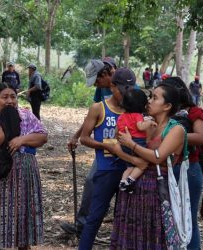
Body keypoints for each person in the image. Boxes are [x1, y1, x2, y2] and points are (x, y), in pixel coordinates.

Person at [109, 83, 185, 249]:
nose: (149, 101)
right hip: (134, 187)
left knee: (151, 237)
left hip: (156, 192)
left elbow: (157, 158)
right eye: (150, 97)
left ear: (167, 106)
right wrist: (124, 150)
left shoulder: (176, 130)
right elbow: (135, 158)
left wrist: (130, 145)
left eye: (155, 98)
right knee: (132, 236)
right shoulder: (146, 125)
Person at [0, 83, 47, 250]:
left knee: (23, 216)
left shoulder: (27, 115)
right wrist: (7, 120)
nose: (10, 101)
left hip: (25, 175)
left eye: (13, 97)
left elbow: (42, 136)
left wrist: (21, 140)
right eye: (4, 97)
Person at [78, 68, 136, 250]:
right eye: (123, 89)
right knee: (95, 218)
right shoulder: (99, 108)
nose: (127, 94)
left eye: (130, 89)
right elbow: (85, 138)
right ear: (112, 87)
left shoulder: (133, 109)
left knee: (125, 219)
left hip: (130, 171)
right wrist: (106, 146)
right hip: (106, 170)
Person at [60, 59, 116, 236]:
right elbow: (92, 115)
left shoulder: (128, 86)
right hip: (105, 147)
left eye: (97, 81)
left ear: (106, 74)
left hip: (125, 147)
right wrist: (77, 135)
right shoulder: (101, 89)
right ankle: (82, 226)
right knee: (93, 181)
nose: (96, 85)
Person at [163, 77, 203, 250]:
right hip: (165, 168)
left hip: (188, 170)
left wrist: (172, 137)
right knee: (169, 217)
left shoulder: (194, 112)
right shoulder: (164, 112)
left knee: (188, 218)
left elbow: (202, 137)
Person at [117, 88, 156, 193]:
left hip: (124, 144)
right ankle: (129, 181)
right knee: (142, 165)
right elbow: (140, 127)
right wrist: (149, 122)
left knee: (129, 167)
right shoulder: (138, 115)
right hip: (137, 142)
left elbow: (119, 130)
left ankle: (122, 182)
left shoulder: (121, 116)